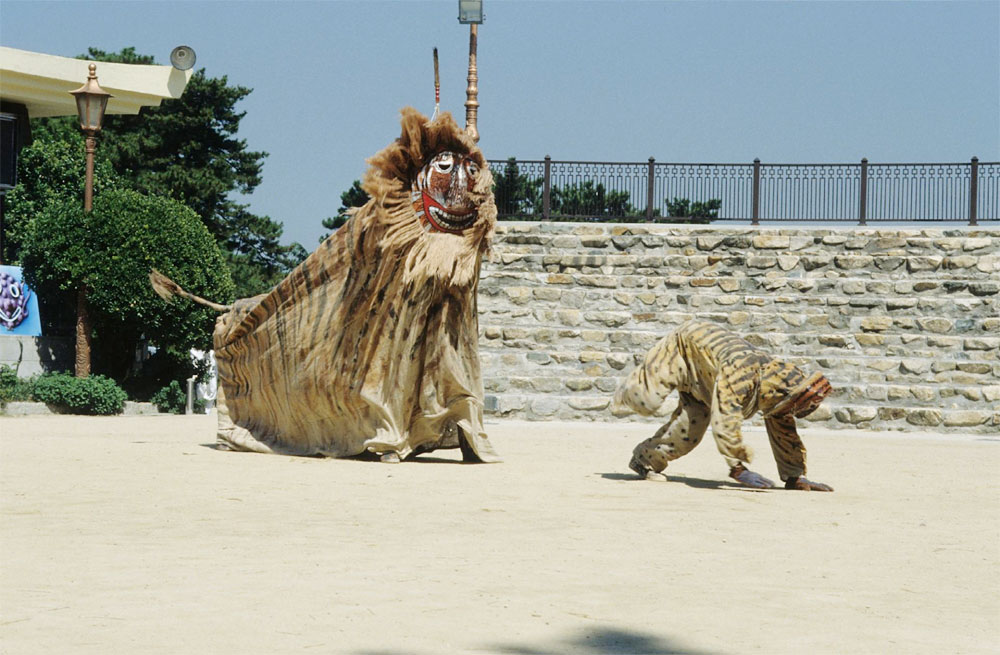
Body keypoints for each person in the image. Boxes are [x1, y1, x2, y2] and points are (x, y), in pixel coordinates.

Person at [613, 320, 834, 491]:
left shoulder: (776, 389)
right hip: (683, 345)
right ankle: (628, 389)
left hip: (707, 379)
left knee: (690, 430)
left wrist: (796, 476)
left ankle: (644, 460)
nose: (790, 413)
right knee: (645, 400)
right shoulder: (742, 373)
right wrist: (737, 467)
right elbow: (725, 417)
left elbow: (783, 428)